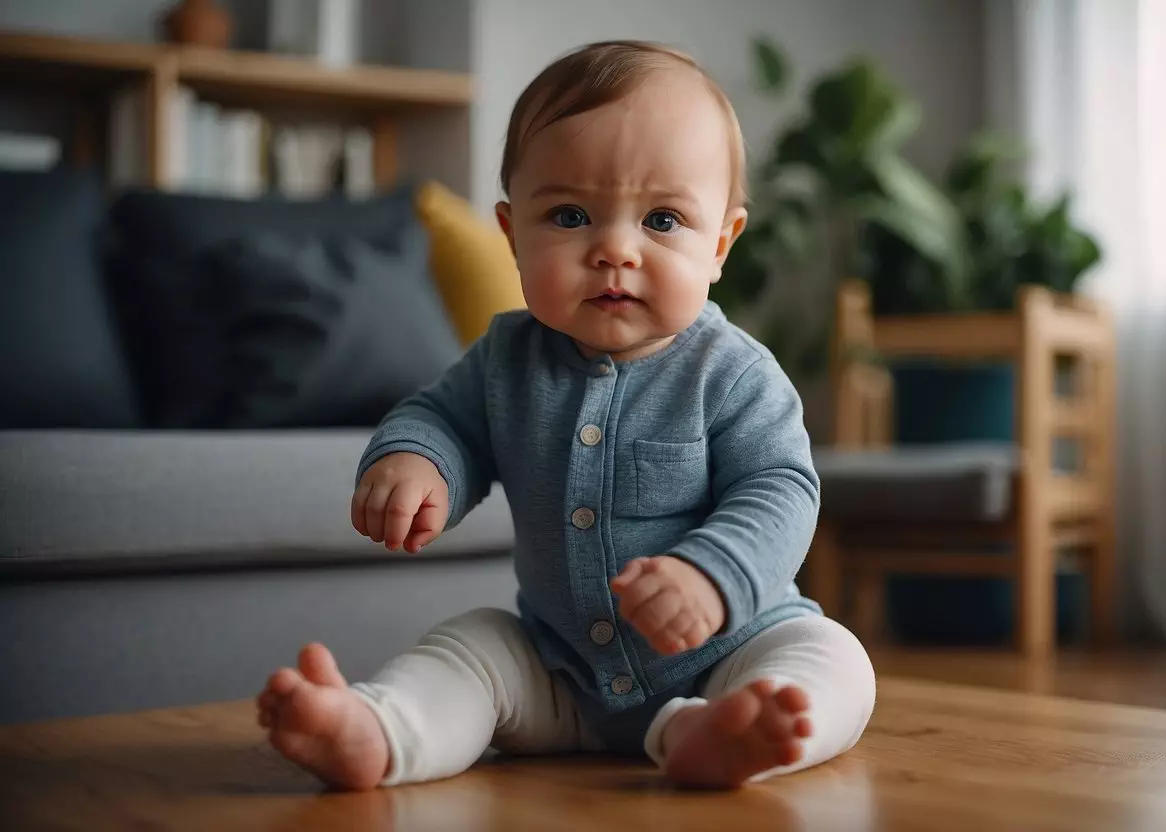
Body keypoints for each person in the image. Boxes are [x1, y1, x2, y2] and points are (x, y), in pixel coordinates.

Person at [256, 39, 875, 791]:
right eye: (572, 214)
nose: (615, 249)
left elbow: (780, 489)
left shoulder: (733, 373)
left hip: (725, 653)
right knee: (472, 643)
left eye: (662, 220)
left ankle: (718, 732)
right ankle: (379, 731)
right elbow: (441, 419)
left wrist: (710, 578)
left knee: (833, 659)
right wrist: (414, 461)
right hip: (557, 671)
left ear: (719, 245)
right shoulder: (506, 358)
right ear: (512, 234)